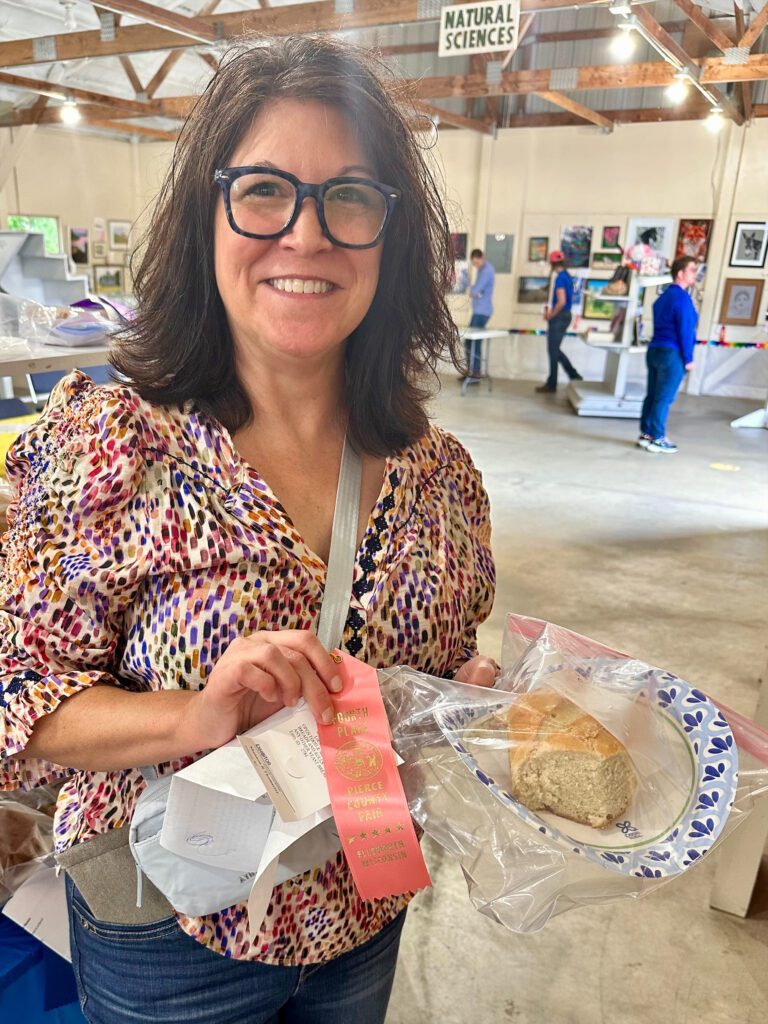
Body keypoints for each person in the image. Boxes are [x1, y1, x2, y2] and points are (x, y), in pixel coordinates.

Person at [0, 36, 497, 1024]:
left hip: (367, 902)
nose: (305, 236)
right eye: (264, 189)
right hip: (164, 923)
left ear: (390, 238)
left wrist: (471, 703)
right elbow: (15, 692)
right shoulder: (104, 446)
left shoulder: (442, 478)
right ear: (205, 215)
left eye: (349, 196)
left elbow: (443, 673)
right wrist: (189, 717)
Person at [638, 256, 698, 453]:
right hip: (672, 354)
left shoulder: (662, 298)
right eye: (692, 270)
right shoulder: (682, 299)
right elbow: (686, 330)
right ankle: (657, 437)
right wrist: (688, 358)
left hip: (655, 350)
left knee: (653, 394)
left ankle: (646, 434)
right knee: (664, 397)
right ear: (680, 273)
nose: (695, 274)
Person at [536, 250, 582, 393]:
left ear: (552, 263)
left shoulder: (560, 278)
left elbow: (561, 301)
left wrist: (551, 315)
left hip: (560, 316)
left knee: (553, 350)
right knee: (554, 350)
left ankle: (555, 383)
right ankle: (571, 375)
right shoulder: (567, 276)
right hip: (566, 315)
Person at [462, 247, 495, 381]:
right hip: (479, 310)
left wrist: (469, 286)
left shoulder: (487, 271)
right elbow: (475, 292)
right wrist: (473, 291)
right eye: (473, 264)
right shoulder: (482, 270)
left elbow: (475, 291)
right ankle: (473, 370)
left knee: (473, 342)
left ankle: (475, 372)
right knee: (470, 341)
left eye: (476, 263)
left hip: (482, 312)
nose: (475, 266)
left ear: (482, 258)